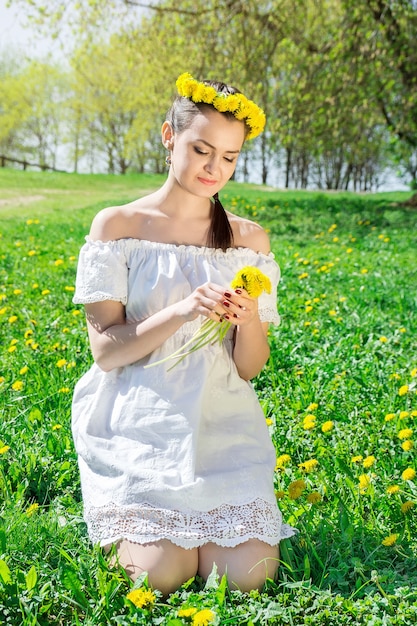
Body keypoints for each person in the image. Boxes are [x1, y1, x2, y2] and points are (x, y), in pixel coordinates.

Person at [71, 72, 295, 597]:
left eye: (230, 157)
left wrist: (248, 320)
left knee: (248, 579)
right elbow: (106, 352)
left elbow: (248, 367)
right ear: (170, 137)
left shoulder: (248, 239)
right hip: (140, 412)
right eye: (201, 149)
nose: (214, 168)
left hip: (220, 416)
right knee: (160, 576)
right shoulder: (119, 225)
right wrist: (184, 311)